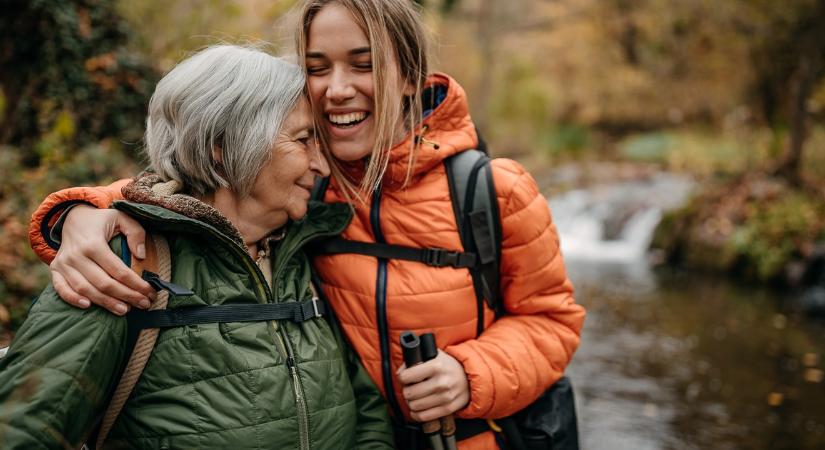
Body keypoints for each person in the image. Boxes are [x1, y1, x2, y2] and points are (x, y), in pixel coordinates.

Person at [27, 1, 587, 448]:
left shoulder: (492, 189)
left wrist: (472, 374)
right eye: (317, 68)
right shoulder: (300, 181)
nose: (336, 88)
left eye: (363, 64)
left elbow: (552, 322)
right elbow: (190, 184)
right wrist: (81, 212)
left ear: (412, 76)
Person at [2, 44, 393, 449]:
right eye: (303, 140)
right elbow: (20, 431)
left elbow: (367, 415)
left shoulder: (301, 260)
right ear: (221, 148)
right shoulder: (122, 265)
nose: (323, 165)